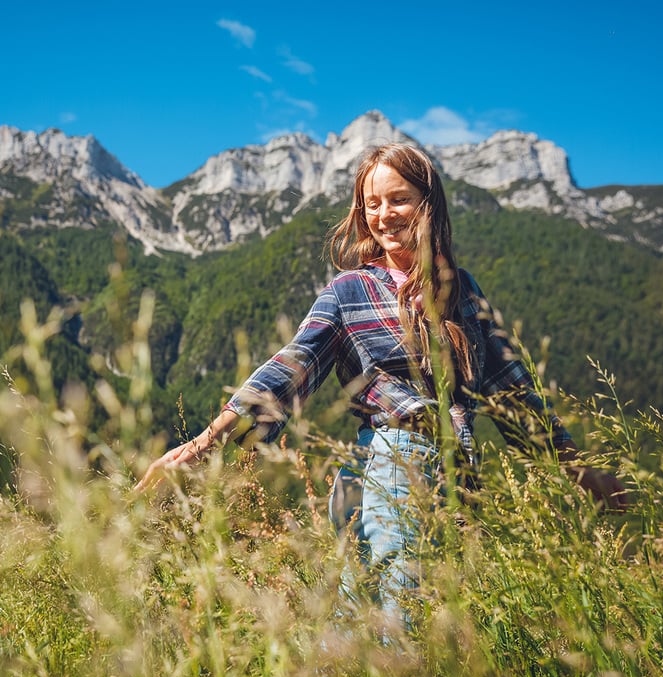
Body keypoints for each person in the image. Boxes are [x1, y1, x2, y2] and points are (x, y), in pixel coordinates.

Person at [136, 143, 627, 618]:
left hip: (450, 474)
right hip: (389, 461)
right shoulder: (350, 290)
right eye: (372, 204)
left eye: (398, 199)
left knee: (375, 632)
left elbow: (513, 387)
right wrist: (203, 444)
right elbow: (289, 367)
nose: (383, 215)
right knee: (397, 625)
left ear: (428, 204)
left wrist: (577, 469)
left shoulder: (462, 289)